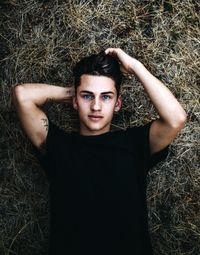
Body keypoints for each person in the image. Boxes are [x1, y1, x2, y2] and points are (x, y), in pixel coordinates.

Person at [12, 48, 187, 255]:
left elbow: (176, 119)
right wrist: (77, 91)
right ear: (75, 102)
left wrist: (134, 67)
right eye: (87, 97)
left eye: (106, 97)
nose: (95, 106)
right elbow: (21, 95)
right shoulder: (58, 145)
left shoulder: (134, 144)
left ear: (117, 103)